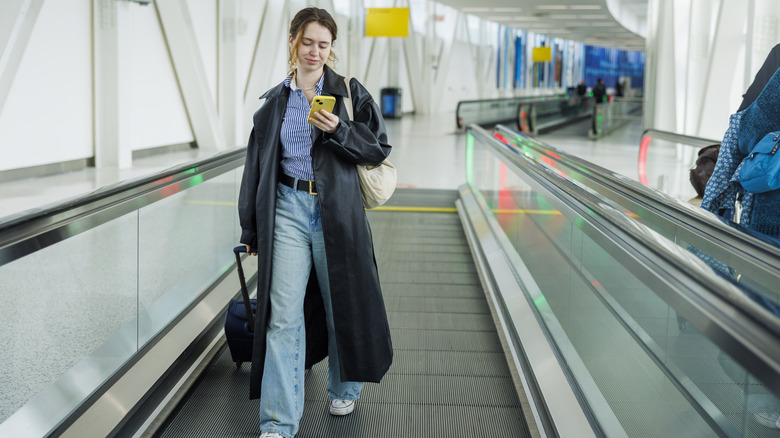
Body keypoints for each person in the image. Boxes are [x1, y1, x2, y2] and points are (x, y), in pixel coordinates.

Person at [237, 7, 393, 438]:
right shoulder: (274, 103)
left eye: (324, 45)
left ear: (331, 48)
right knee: (283, 317)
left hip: (336, 212)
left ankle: (345, 386)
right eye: (308, 42)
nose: (315, 52)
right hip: (286, 207)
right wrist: (250, 227)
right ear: (293, 41)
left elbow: (378, 147)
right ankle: (278, 422)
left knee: (339, 298)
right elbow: (257, 166)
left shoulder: (348, 93)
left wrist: (340, 128)